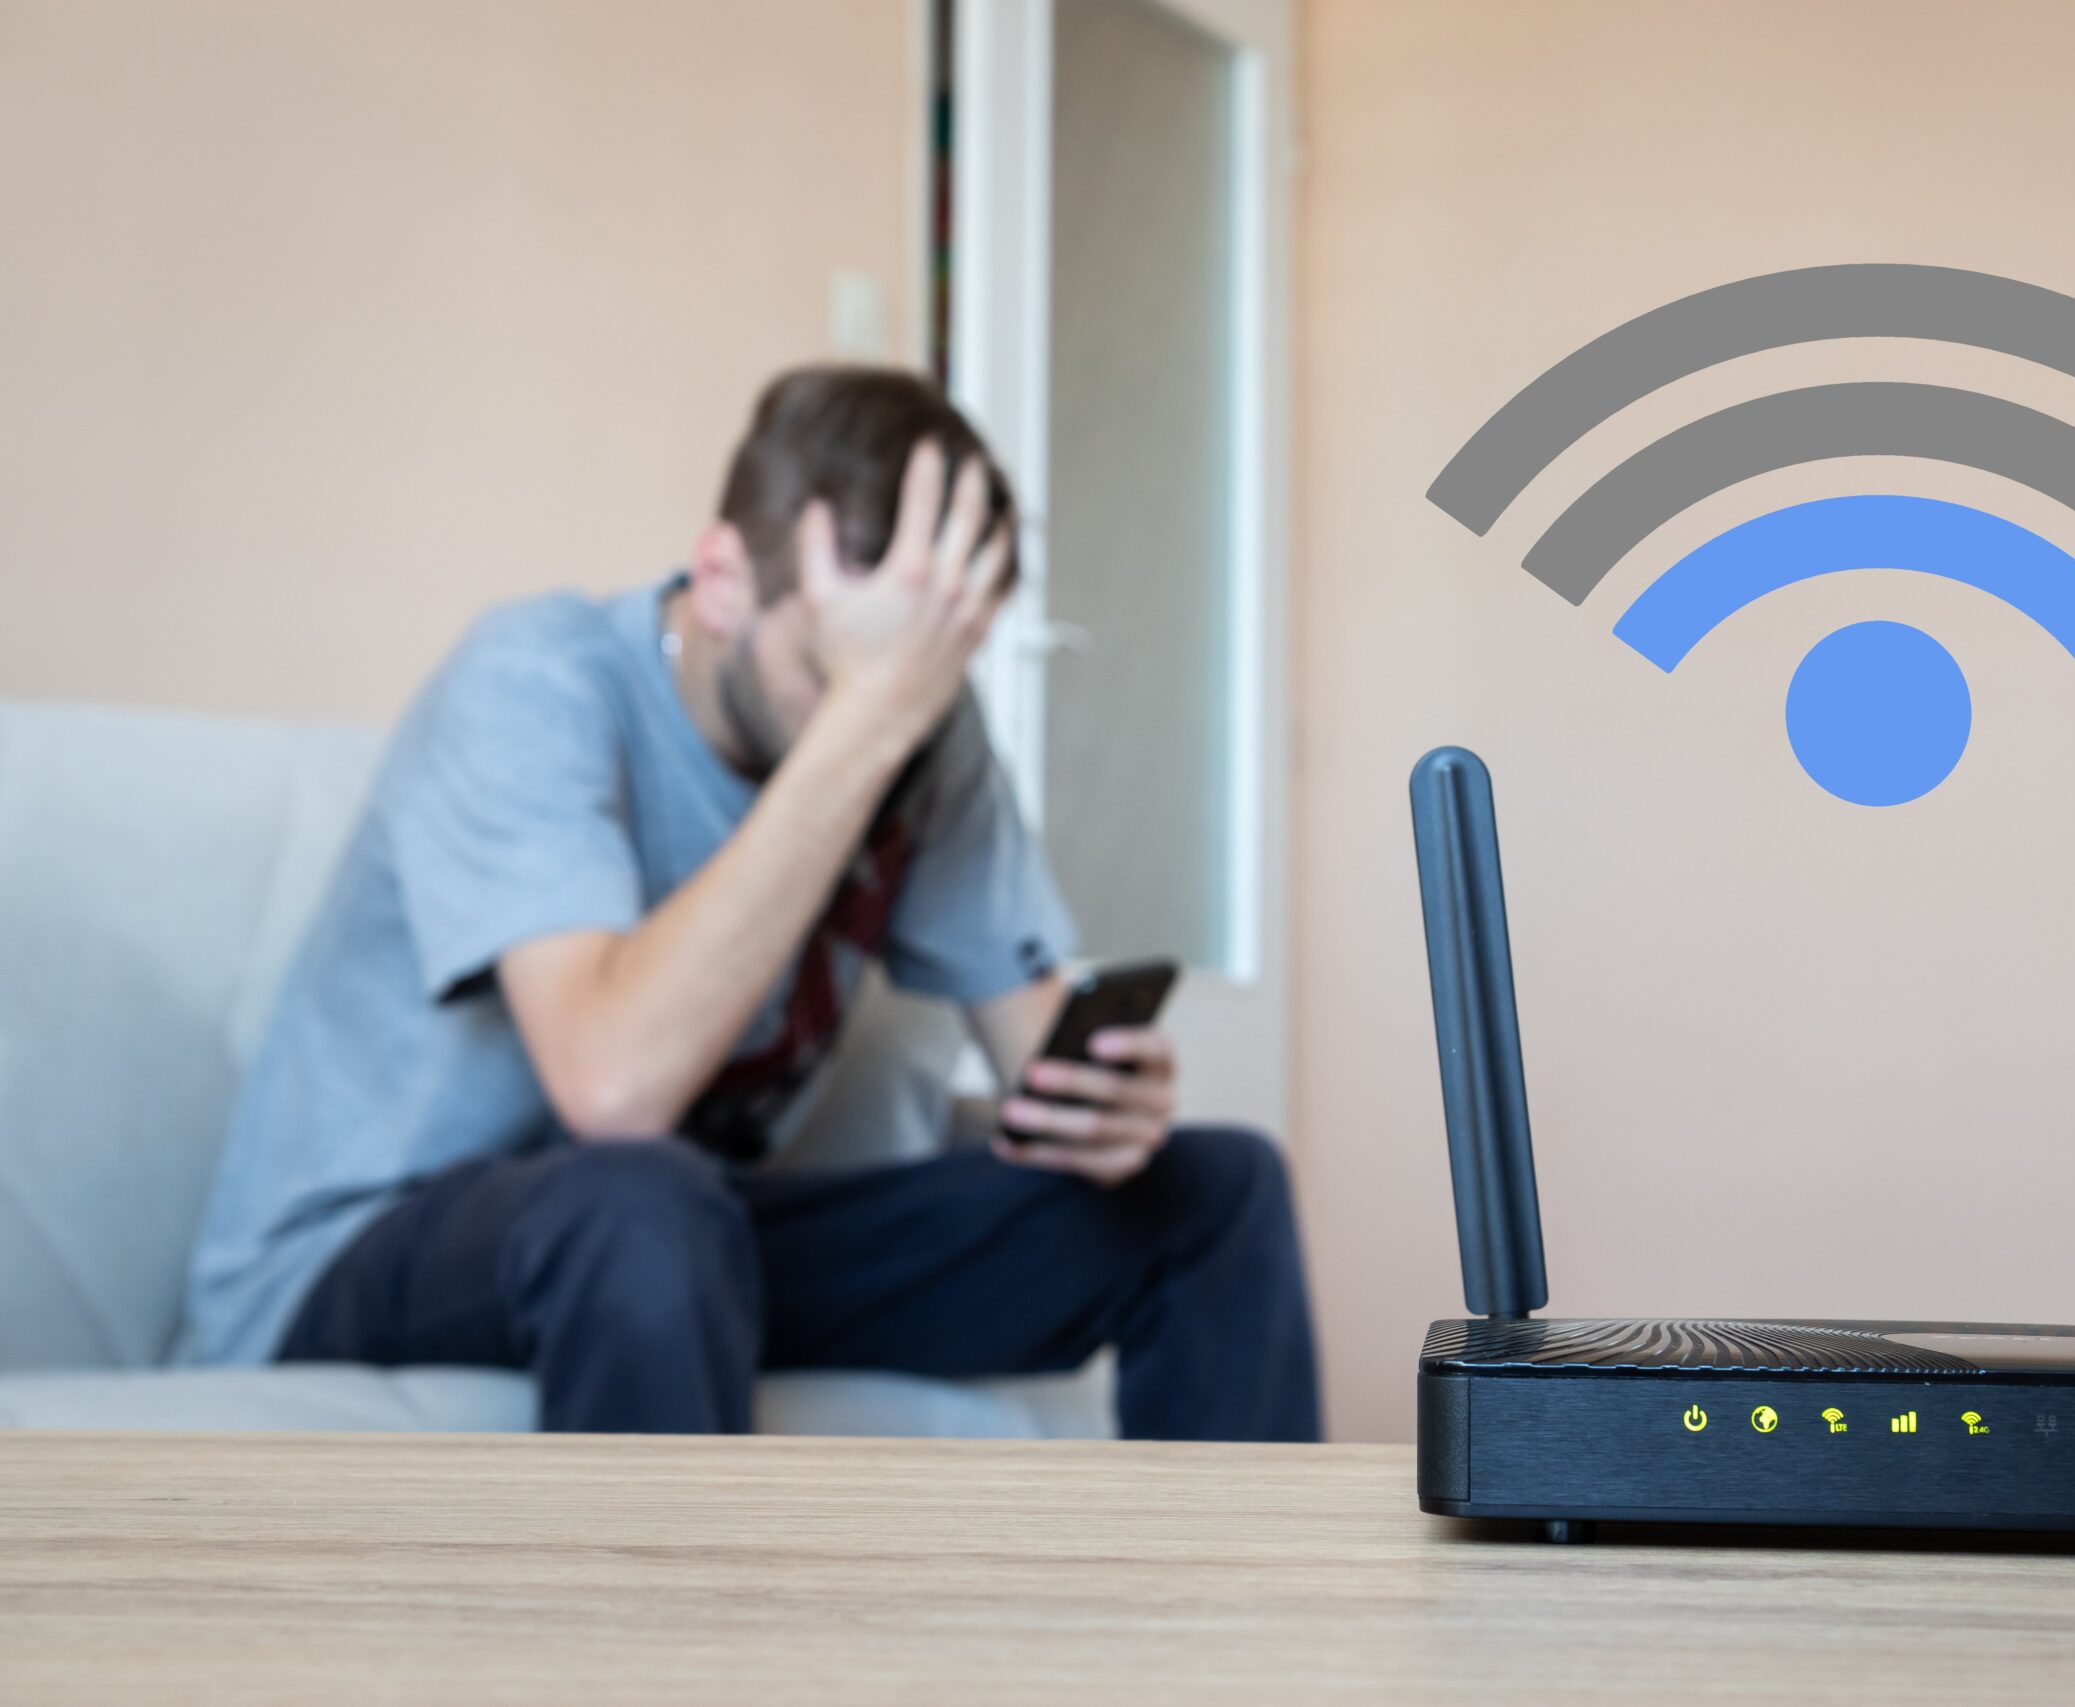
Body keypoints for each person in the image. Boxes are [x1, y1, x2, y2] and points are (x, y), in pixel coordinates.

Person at [179, 366, 1321, 1439]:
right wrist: (864, 721)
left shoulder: (918, 728)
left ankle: (1244, 1649)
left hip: (692, 1247)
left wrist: (1096, 1105)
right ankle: (684, 1658)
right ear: (721, 580)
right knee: (639, 1204)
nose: (893, 715)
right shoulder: (535, 678)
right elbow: (612, 1089)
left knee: (1213, 1195)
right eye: (834, 671)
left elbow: (1038, 1053)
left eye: (921, 679)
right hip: (360, 1259)